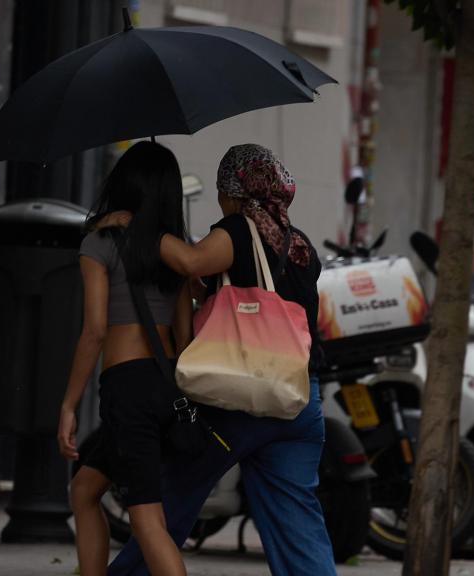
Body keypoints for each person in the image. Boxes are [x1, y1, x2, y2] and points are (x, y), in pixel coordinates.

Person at [102, 143, 337, 576]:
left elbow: (191, 260)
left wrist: (139, 224)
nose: (219, 199)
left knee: (168, 507)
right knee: (298, 526)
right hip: (299, 401)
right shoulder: (299, 243)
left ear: (236, 192)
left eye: (221, 190)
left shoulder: (236, 230)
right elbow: (242, 291)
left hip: (240, 398)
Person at [58, 141, 194, 576]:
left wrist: (68, 405)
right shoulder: (178, 250)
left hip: (127, 389)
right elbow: (184, 334)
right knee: (84, 490)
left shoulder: (100, 243)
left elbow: (95, 331)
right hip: (166, 386)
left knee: (145, 519)